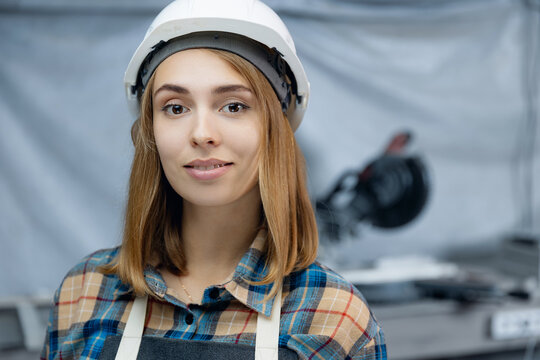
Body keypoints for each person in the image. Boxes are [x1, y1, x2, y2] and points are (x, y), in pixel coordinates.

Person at [41, 0, 387, 359]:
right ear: (151, 132)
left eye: (234, 106)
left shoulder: (332, 317)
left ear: (275, 130)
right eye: (176, 107)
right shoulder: (84, 294)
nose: (202, 133)